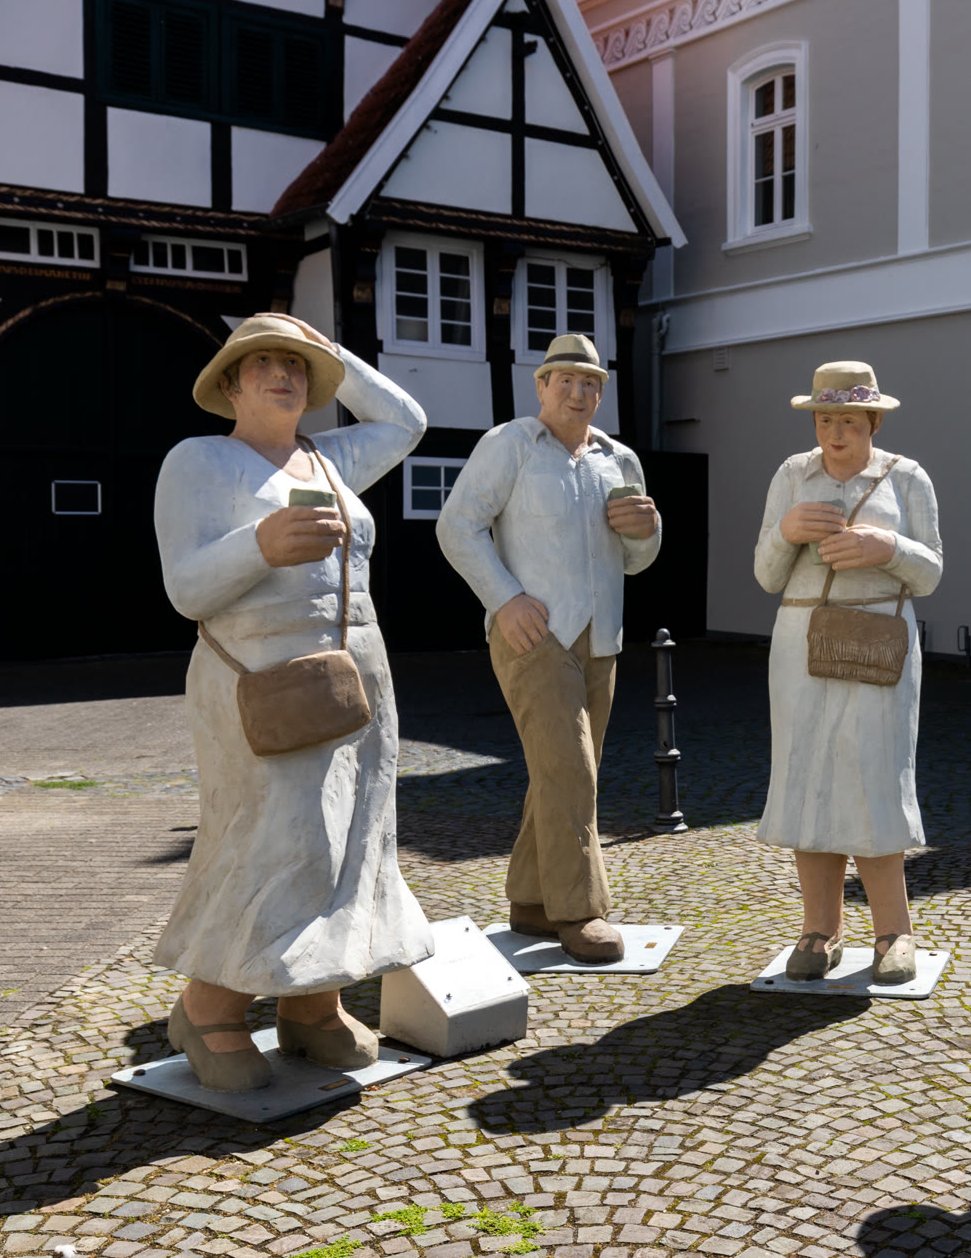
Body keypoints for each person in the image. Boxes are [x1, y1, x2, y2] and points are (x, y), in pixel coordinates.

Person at [153, 313, 433, 1091]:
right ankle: (208, 1007)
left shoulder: (330, 456)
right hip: (257, 672)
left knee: (352, 835)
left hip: (353, 671)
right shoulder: (200, 460)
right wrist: (260, 544)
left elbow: (407, 421)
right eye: (264, 362)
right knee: (274, 838)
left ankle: (312, 1001)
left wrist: (330, 349)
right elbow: (184, 588)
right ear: (231, 383)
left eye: (297, 366)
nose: (283, 374)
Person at [437, 334, 661, 963]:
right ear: (540, 386)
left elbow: (637, 560)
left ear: (601, 393)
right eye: (565, 380)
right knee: (570, 767)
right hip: (531, 634)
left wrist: (648, 531)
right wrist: (505, 599)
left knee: (562, 770)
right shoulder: (509, 444)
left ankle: (532, 900)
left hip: (603, 636)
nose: (577, 392)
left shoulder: (619, 459)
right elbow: (456, 527)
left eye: (590, 383)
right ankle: (580, 910)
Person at [752, 363, 943, 983]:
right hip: (802, 642)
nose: (836, 434)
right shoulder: (791, 474)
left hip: (879, 641)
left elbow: (932, 571)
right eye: (825, 419)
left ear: (873, 422)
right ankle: (820, 928)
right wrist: (787, 532)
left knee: (874, 777)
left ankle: (893, 932)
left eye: (850, 421)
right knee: (807, 775)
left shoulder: (906, 476)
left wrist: (886, 548)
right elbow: (765, 575)